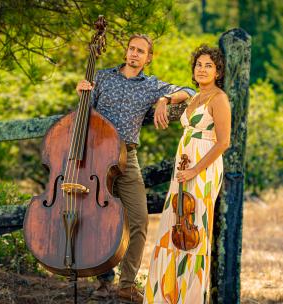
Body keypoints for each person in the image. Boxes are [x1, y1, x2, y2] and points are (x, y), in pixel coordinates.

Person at [76, 34, 196, 303]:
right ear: (126, 51)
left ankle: (127, 284)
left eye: (140, 51)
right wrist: (83, 91)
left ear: (148, 58)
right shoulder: (104, 78)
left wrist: (164, 99)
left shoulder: (151, 85)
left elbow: (190, 91)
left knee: (139, 220)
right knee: (98, 221)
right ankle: (104, 282)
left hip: (127, 158)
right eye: (131, 49)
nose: (134, 54)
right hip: (95, 156)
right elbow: (84, 114)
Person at [143, 45, 231, 304]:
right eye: (199, 65)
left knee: (195, 231)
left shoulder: (219, 99)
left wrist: (195, 169)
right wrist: (163, 100)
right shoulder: (194, 97)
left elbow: (223, 142)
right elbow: (176, 94)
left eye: (209, 66)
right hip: (183, 166)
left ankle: (189, 298)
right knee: (172, 225)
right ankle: (165, 295)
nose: (202, 69)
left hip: (203, 168)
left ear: (218, 71)